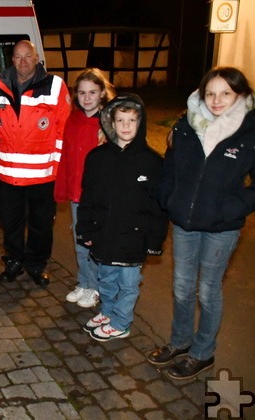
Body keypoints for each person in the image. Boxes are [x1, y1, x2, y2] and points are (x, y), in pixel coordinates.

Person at [148, 67, 255, 380]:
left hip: (222, 227)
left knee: (208, 291)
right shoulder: (187, 124)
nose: (216, 100)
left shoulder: (249, 131)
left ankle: (203, 352)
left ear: (241, 95)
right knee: (182, 287)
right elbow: (170, 166)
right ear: (201, 94)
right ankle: (180, 341)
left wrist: (232, 208)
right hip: (185, 221)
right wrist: (169, 197)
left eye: (225, 93)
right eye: (210, 93)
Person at [76, 94, 168, 341]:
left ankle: (121, 321)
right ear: (110, 123)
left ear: (141, 123)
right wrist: (84, 229)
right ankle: (107, 312)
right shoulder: (97, 158)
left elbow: (158, 207)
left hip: (134, 239)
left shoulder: (152, 162)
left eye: (132, 120)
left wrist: (154, 241)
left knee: (128, 284)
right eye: (120, 120)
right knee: (105, 279)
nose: (126, 126)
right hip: (105, 234)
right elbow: (88, 197)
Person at [0, 40, 71, 287]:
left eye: (27, 56)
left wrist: (57, 165)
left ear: (37, 57)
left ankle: (36, 264)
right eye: (18, 57)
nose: (23, 61)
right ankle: (14, 261)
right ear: (12, 60)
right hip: (9, 174)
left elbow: (63, 128)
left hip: (43, 173)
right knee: (11, 223)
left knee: (41, 224)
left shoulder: (55, 86)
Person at [55, 68, 115, 308]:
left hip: (99, 196)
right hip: (78, 194)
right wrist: (63, 188)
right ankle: (85, 282)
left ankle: (97, 288)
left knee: (96, 245)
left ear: (102, 93)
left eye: (92, 92)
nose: (87, 97)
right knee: (81, 242)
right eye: (82, 93)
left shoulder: (110, 122)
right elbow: (67, 157)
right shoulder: (73, 120)